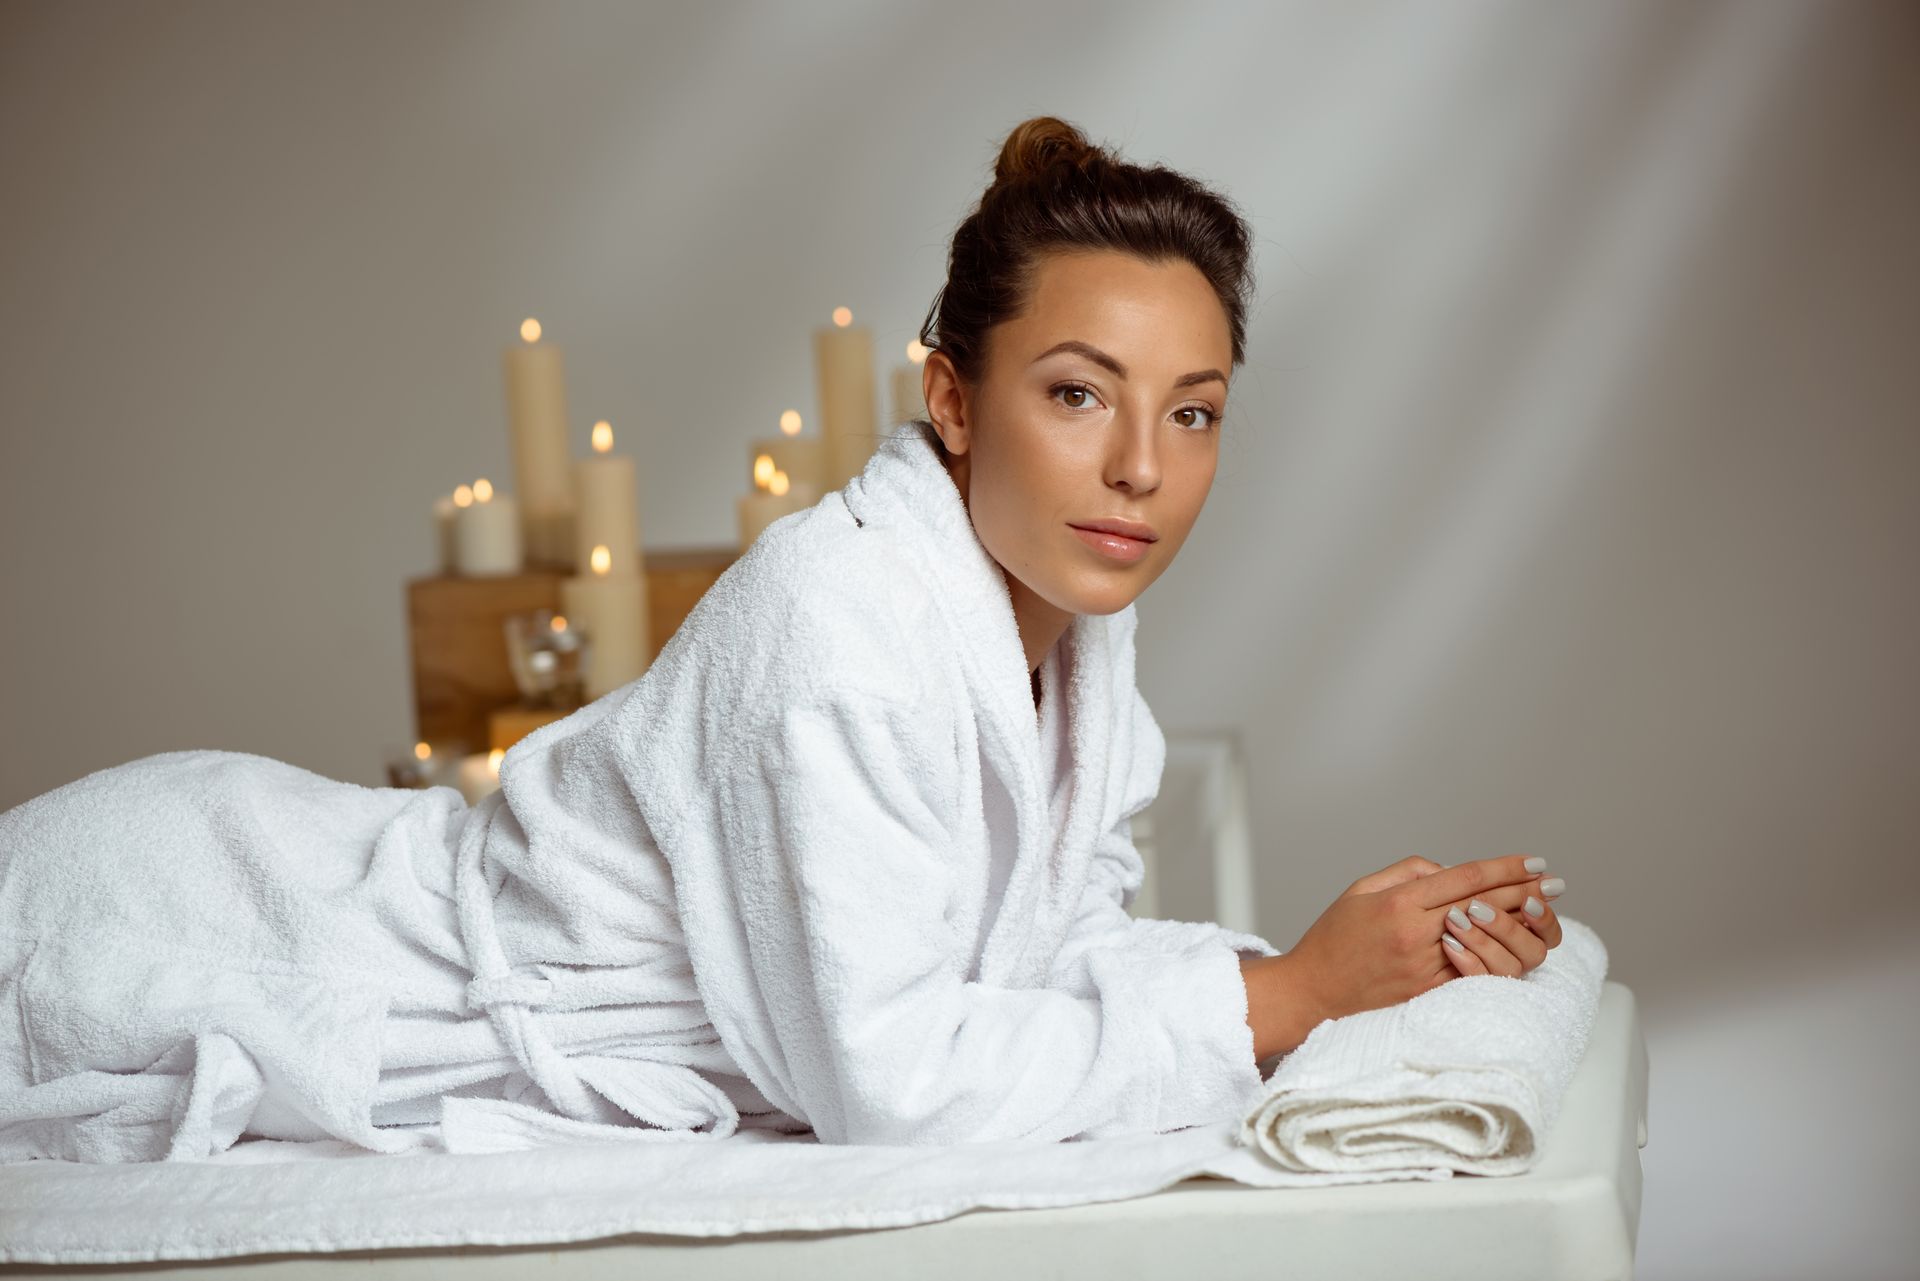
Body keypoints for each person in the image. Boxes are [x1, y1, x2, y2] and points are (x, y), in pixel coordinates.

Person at [0, 115, 1567, 1163]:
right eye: (1078, 392)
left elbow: (1038, 960)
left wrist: (1350, 963)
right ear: (953, 399)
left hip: (310, 882)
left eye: (1196, 411)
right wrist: (1282, 995)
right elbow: (891, 1081)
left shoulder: (1077, 646)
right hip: (229, 916)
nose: (1144, 467)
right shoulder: (838, 621)